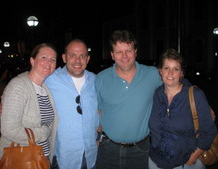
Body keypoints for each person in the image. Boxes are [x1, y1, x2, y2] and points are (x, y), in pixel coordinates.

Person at [95, 30, 162, 169]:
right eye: (119, 52)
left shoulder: (153, 74)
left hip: (140, 150)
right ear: (112, 55)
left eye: (128, 50)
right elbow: (98, 111)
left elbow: (176, 83)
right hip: (108, 150)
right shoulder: (101, 79)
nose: (124, 56)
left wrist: (199, 103)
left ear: (135, 52)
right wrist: (97, 137)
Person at [148, 48, 217, 169]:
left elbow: (209, 131)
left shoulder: (195, 95)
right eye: (166, 68)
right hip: (154, 162)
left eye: (175, 69)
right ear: (160, 71)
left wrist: (194, 157)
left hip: (185, 164)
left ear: (181, 73)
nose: (170, 73)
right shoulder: (156, 95)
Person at [0, 43, 58, 167]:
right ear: (32, 61)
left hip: (41, 157)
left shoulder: (45, 89)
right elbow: (9, 130)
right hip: (21, 158)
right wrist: (43, 133)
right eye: (44, 57)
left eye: (53, 59)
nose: (49, 62)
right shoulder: (18, 86)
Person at [45, 39, 99, 169]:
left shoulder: (96, 80)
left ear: (88, 58)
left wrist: (100, 137)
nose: (77, 61)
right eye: (72, 55)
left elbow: (104, 109)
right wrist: (6, 100)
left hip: (91, 155)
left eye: (82, 56)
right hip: (62, 157)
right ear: (64, 58)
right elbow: (28, 83)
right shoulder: (50, 79)